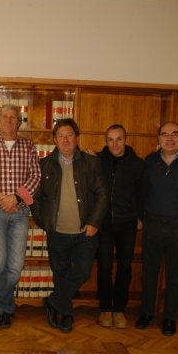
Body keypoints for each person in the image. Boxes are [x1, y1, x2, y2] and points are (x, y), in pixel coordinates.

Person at [31, 118, 108, 333]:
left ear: (76, 138)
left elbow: (103, 194)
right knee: (60, 273)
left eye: (69, 135)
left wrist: (94, 222)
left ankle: (53, 301)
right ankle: (64, 313)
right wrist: (43, 221)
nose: (65, 139)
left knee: (83, 271)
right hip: (57, 232)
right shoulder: (44, 165)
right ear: (54, 140)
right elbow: (35, 198)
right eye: (61, 136)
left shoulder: (91, 163)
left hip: (85, 231)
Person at [0, 104, 41, 330]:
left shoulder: (28, 146)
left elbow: (35, 176)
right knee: (0, 264)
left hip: (20, 212)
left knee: (15, 265)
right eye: (5, 117)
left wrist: (16, 198)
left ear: (19, 122)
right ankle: (6, 309)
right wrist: (1, 198)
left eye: (13, 117)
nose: (9, 121)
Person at [135, 121, 178, 336]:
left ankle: (169, 317)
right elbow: (142, 191)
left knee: (174, 274)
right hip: (153, 223)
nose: (170, 138)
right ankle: (147, 312)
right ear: (159, 139)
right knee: (149, 271)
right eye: (165, 134)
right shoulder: (150, 161)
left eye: (174, 134)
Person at [96, 124, 145, 329]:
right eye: (110, 139)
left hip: (127, 223)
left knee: (125, 266)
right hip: (104, 223)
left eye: (119, 139)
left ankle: (119, 309)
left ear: (126, 139)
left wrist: (141, 216)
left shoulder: (137, 164)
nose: (114, 144)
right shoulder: (97, 161)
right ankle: (106, 308)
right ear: (105, 141)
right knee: (105, 266)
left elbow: (143, 193)